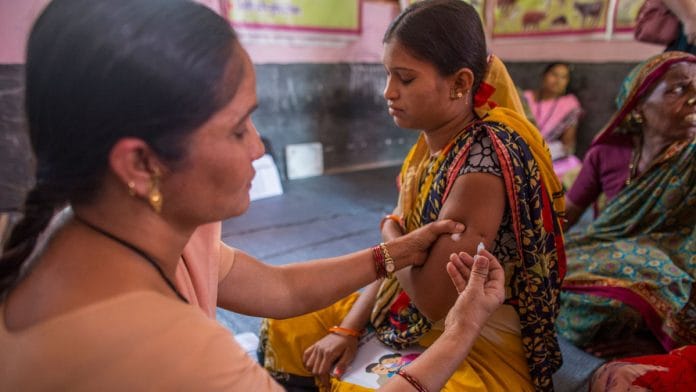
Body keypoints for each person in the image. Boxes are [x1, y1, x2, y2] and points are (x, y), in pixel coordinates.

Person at [0, 0, 510, 390]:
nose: (259, 146)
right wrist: (460, 331)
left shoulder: (112, 225)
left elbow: (278, 289)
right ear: (140, 164)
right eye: (238, 127)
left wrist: (393, 251)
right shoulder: (172, 354)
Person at [258, 1, 567, 391]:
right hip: (402, 310)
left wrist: (391, 233)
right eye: (388, 74)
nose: (388, 92)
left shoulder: (482, 164)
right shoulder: (429, 151)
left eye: (405, 78)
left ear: (459, 83)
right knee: (287, 325)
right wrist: (347, 329)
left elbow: (432, 300)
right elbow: (395, 262)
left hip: (473, 338)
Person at [556, 52, 696, 361]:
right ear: (639, 104)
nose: (694, 100)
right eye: (680, 89)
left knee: (642, 294)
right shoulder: (608, 151)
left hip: (677, 264)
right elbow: (563, 217)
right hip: (607, 252)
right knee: (544, 273)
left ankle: (658, 340)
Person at [522, 63, 583, 182]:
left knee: (574, 166)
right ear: (544, 76)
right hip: (523, 149)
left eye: (563, 77)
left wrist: (548, 152)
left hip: (551, 155)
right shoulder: (525, 98)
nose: (557, 80)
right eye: (554, 75)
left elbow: (568, 145)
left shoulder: (569, 104)